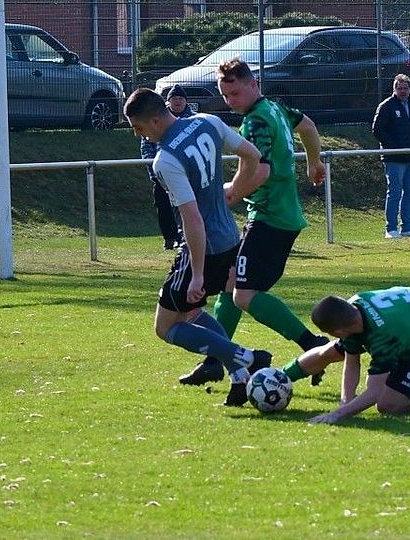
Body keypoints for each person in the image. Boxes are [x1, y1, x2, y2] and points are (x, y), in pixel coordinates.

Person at [177, 57, 329, 388]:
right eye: (225, 95)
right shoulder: (275, 108)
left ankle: (312, 345)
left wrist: (227, 196)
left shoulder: (256, 121)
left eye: (235, 93)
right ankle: (215, 361)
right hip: (276, 216)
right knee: (230, 281)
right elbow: (307, 126)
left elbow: (259, 171)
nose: (231, 101)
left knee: (243, 295)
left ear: (253, 84)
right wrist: (313, 162)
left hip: (270, 219)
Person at [124, 88, 272, 406]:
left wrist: (197, 274)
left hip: (202, 248)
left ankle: (248, 357)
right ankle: (238, 377)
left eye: (138, 128)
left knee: (166, 327)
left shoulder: (165, 160)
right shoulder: (207, 121)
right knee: (191, 312)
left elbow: (192, 217)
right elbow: (253, 156)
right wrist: (234, 191)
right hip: (229, 237)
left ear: (154, 120)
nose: (139, 135)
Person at [280, 286, 410, 424]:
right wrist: (346, 401)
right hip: (404, 314)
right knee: (329, 352)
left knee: (388, 404)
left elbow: (374, 392)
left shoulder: (383, 337)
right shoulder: (353, 308)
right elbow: (351, 362)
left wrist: (338, 414)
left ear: (339, 332)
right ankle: (279, 376)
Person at [139, 84, 192, 249]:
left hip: (188, 173)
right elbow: (146, 146)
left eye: (181, 98)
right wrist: (154, 171)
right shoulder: (157, 120)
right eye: (174, 98)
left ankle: (186, 236)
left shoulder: (194, 120)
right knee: (163, 206)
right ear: (168, 101)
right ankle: (170, 238)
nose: (178, 101)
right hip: (162, 173)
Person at [372, 74, 410, 239]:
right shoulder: (386, 106)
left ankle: (407, 227)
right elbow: (377, 129)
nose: (403, 91)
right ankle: (391, 228)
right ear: (394, 89)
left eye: (405, 88)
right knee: (394, 192)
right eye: (399, 88)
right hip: (394, 158)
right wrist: (394, 147)